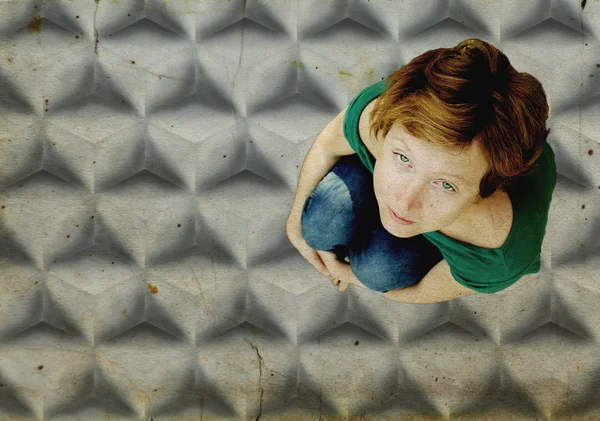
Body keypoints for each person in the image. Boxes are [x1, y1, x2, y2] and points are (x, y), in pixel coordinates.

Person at [286, 38, 556, 296]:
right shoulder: (384, 113)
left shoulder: (497, 254)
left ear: (484, 192)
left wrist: (349, 276)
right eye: (403, 158)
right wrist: (293, 223)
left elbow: (420, 292)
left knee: (378, 271)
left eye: (446, 184)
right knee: (318, 226)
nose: (404, 202)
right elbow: (327, 145)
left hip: (463, 221)